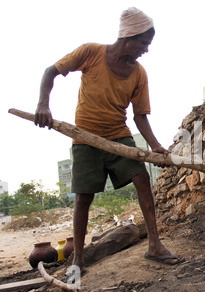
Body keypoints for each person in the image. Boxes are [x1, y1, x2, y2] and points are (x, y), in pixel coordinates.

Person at [34, 7, 183, 268]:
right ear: (129, 37)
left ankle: (155, 245)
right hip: (85, 138)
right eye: (144, 43)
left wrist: (156, 146)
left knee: (142, 178)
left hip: (118, 136)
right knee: (83, 197)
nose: (146, 49)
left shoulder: (139, 73)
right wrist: (43, 105)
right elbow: (50, 71)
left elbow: (140, 116)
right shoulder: (91, 52)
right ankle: (78, 258)